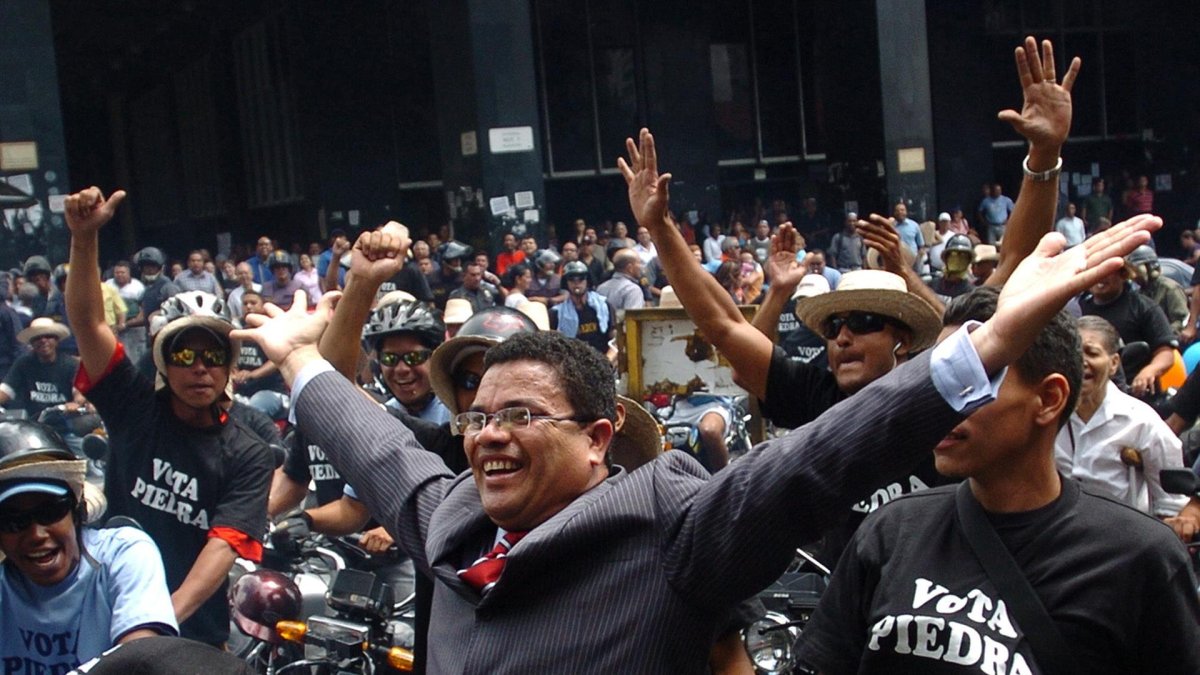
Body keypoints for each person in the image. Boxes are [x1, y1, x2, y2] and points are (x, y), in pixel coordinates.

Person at [232, 198, 1158, 672]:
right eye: (477, 417)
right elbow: (369, 439)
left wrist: (985, 344)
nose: (486, 438)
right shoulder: (448, 518)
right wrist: (295, 359)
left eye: (520, 415)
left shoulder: (668, 527)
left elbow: (820, 458)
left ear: (600, 439)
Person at [796, 284, 1200, 675]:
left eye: (972, 379)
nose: (943, 400)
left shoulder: (1141, 558)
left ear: (1049, 398)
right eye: (939, 379)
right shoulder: (889, 533)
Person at [64, 187, 273, 647]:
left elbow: (221, 547)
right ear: (163, 362)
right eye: (184, 353)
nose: (199, 367)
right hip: (103, 614)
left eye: (213, 354)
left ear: (230, 365)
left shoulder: (249, 451)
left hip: (190, 631)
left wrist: (155, 623)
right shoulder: (132, 405)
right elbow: (87, 323)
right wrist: (83, 240)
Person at [0, 421, 178, 670]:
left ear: (77, 513)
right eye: (13, 521)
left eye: (50, 511)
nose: (36, 534)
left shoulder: (123, 554)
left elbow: (140, 659)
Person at [1055, 316, 1190, 518]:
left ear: (1114, 363)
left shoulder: (1140, 421)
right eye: (1072, 353)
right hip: (1059, 532)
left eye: (1091, 353)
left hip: (1121, 536)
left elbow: (1171, 503)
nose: (1081, 362)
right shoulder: (1048, 416)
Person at [362, 299, 451, 424]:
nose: (401, 369)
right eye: (389, 359)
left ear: (435, 358)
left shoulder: (458, 412)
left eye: (413, 357)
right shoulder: (379, 418)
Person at [0, 318, 85, 421]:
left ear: (57, 340)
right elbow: (6, 390)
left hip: (64, 425)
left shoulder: (71, 364)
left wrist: (75, 404)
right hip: (31, 425)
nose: (43, 340)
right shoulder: (23, 363)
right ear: (31, 343)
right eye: (37, 338)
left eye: (48, 336)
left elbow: (80, 392)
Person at [551, 261, 616, 359]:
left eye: (581, 279)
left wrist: (608, 361)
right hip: (574, 365)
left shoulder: (604, 306)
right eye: (572, 279)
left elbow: (615, 340)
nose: (577, 283)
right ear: (566, 283)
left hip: (604, 360)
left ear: (587, 281)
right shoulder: (556, 313)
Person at [1125, 244, 1188, 335]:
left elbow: (1181, 319)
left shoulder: (1169, 288)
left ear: (1149, 267)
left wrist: (1164, 334)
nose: (1134, 276)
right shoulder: (1139, 292)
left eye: (1137, 270)